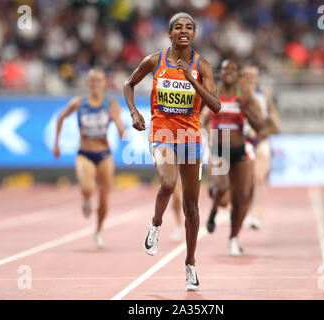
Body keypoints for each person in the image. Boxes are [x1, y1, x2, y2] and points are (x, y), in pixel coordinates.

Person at [123, 12, 221, 291]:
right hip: (162, 132)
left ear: (194, 33)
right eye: (178, 26)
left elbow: (215, 106)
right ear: (170, 33)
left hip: (190, 136)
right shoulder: (156, 60)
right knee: (168, 182)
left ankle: (190, 264)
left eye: (189, 27)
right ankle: (156, 224)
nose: (183, 30)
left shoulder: (203, 66)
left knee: (192, 206)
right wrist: (133, 112)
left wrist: (192, 81)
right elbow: (128, 84)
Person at [52, 68, 125, 249]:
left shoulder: (111, 104)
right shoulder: (78, 103)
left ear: (104, 83)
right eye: (92, 80)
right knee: (88, 188)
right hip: (84, 154)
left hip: (104, 155)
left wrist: (117, 123)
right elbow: (61, 117)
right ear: (87, 83)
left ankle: (99, 231)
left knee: (104, 198)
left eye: (98, 81)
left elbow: (122, 130)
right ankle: (85, 198)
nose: (95, 84)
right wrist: (56, 143)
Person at [203, 60, 264, 255]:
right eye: (224, 69)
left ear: (237, 73)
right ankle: (213, 211)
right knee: (222, 188)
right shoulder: (213, 93)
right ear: (219, 73)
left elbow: (259, 126)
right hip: (218, 149)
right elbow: (203, 120)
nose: (228, 72)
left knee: (241, 197)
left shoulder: (244, 94)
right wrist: (208, 136)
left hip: (240, 149)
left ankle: (233, 238)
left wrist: (245, 108)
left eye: (232, 69)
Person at [241, 65, 280, 230]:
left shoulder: (264, 92)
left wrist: (275, 122)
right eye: (247, 75)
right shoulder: (238, 92)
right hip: (244, 140)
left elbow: (271, 111)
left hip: (262, 139)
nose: (250, 78)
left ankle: (257, 215)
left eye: (253, 75)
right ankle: (245, 211)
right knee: (246, 180)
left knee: (259, 178)